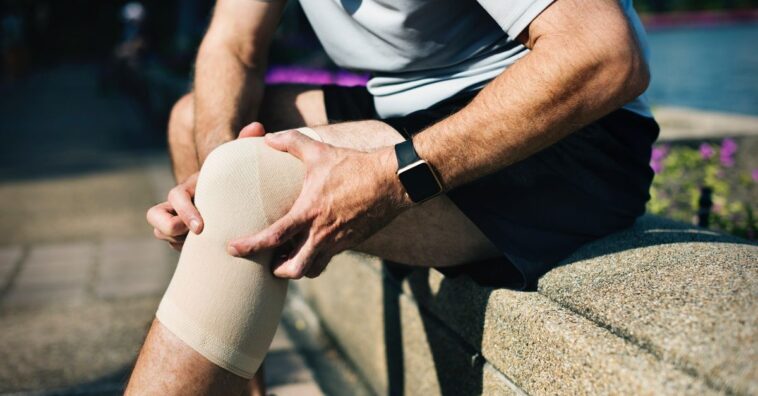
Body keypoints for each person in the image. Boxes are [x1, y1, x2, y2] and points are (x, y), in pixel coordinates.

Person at [127, 0, 658, 394]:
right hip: (407, 107)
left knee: (250, 181)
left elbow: (605, 53)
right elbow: (232, 43)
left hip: (561, 133)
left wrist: (394, 178)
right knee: (195, 127)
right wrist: (216, 175)